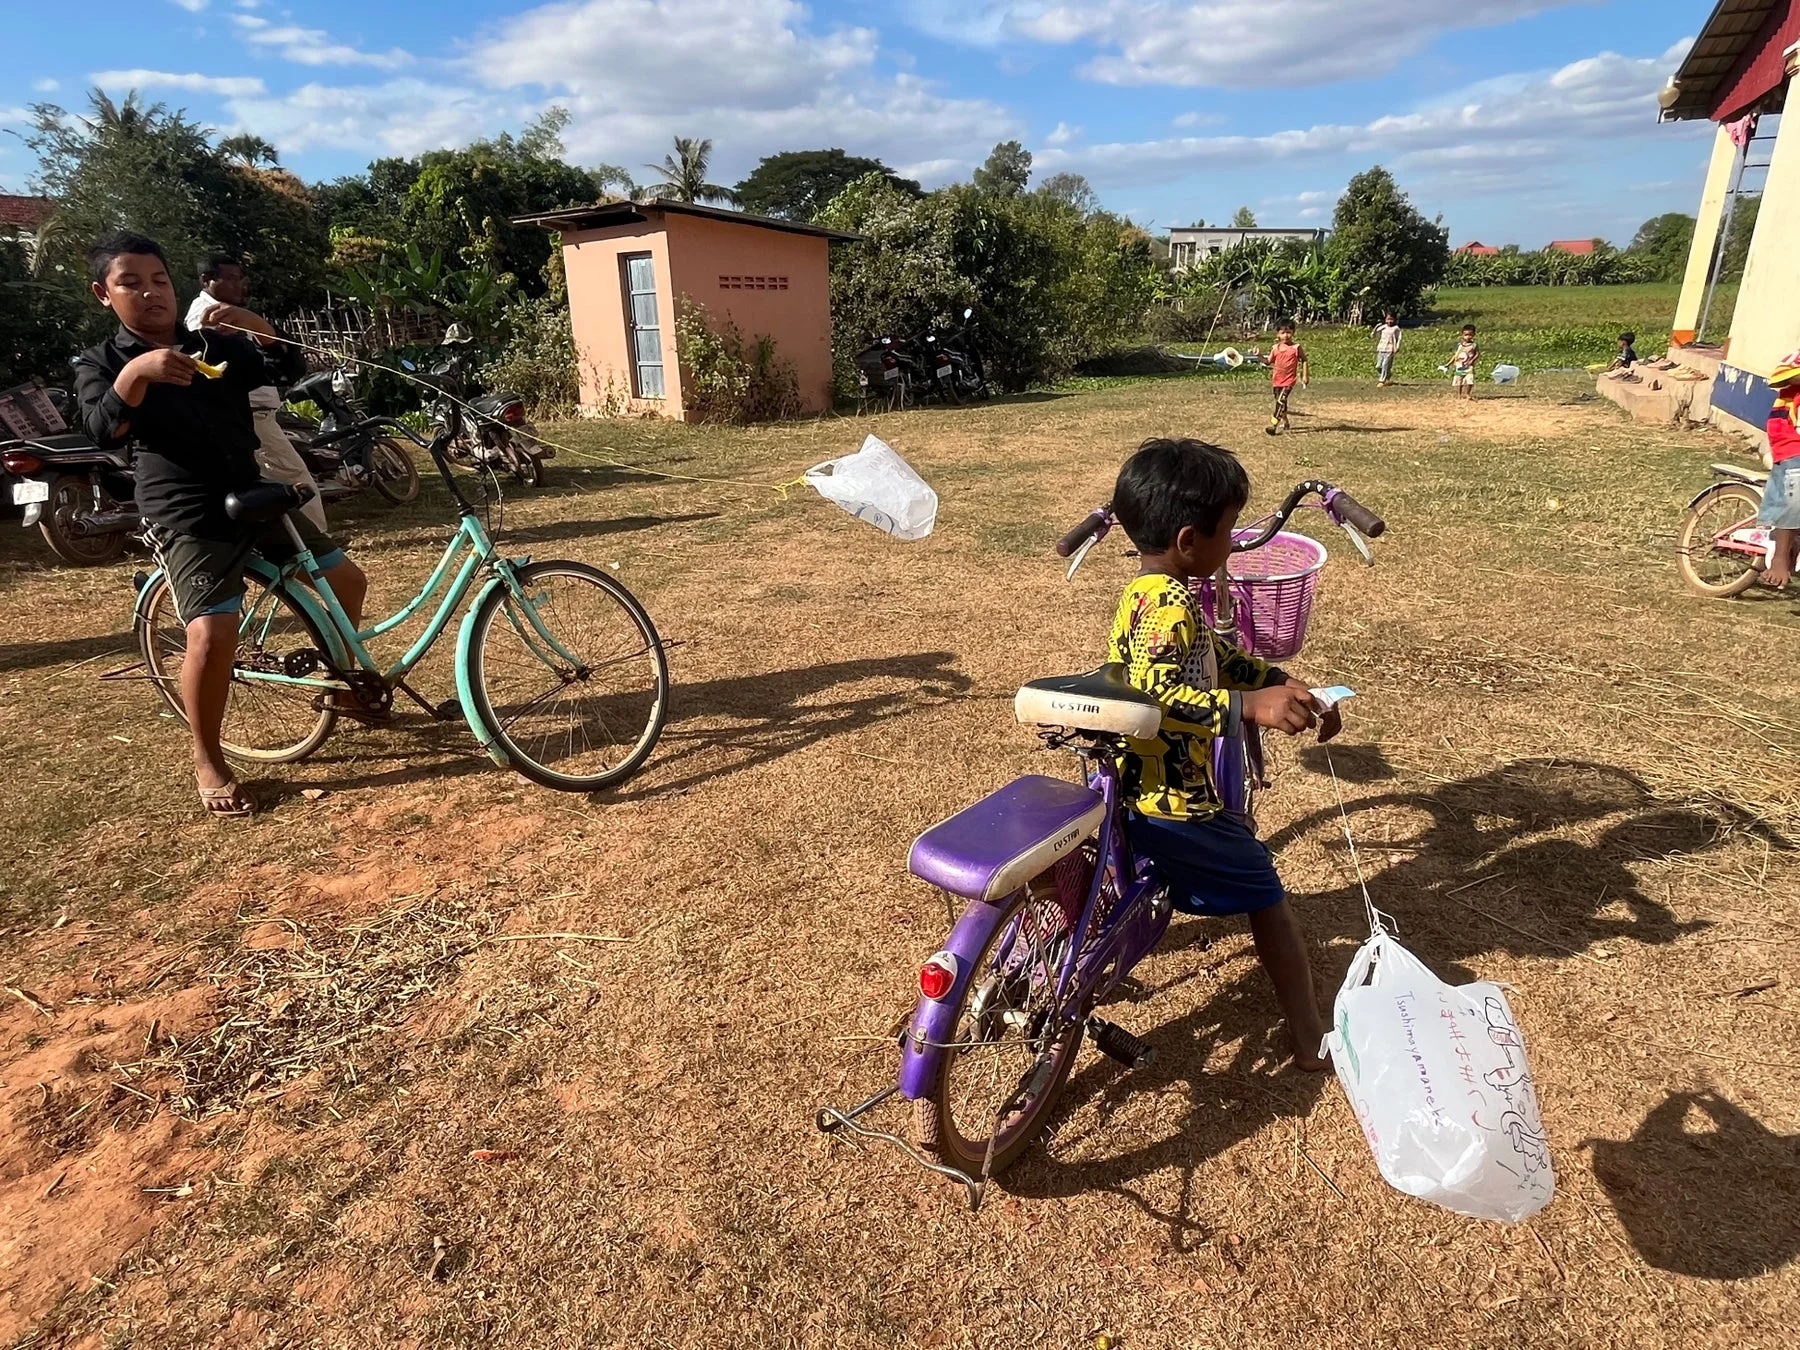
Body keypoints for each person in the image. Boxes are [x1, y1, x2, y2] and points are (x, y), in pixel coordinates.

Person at [73, 232, 369, 819]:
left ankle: (341, 687)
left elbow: (284, 368)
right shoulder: (99, 362)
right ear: (103, 293)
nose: (150, 293)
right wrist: (137, 374)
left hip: (250, 490)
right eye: (130, 282)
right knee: (211, 633)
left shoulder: (211, 343)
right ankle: (208, 758)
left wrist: (259, 326)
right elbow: (100, 431)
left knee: (347, 581)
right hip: (186, 506)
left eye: (159, 280)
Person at [1106, 438, 1339, 1069]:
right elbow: (1159, 690)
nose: (1234, 542)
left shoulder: (1150, 593)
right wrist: (1245, 708)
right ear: (1190, 540)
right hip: (1174, 797)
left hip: (1139, 785)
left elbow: (1215, 658)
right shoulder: (1170, 605)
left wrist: (1275, 682)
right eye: (1231, 529)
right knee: (1267, 895)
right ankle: (1311, 1035)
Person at [187, 253, 326, 531]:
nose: (240, 286)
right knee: (296, 480)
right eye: (230, 279)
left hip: (257, 416)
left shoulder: (232, 314)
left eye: (240, 279)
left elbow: (278, 364)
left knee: (273, 486)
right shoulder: (204, 320)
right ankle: (317, 545)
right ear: (206, 280)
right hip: (247, 417)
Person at [1757, 349, 1800, 588]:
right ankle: (1780, 558)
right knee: (1797, 495)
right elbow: (1780, 376)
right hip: (1791, 438)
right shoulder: (1797, 357)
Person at [1265, 321, 1307, 434]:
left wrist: (1305, 375)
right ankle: (1286, 422)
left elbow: (1304, 360)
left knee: (1280, 401)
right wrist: (1258, 356)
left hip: (1289, 381)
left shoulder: (1296, 347)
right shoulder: (1275, 348)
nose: (1286, 335)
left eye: (1288, 332)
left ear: (1293, 332)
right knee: (1281, 403)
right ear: (1278, 334)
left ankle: (1273, 425)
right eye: (1283, 333)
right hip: (1277, 381)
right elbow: (1268, 361)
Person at [1449, 324, 1479, 400]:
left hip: (1469, 366)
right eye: (1466, 335)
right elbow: (1456, 355)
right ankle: (1459, 394)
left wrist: (1472, 360)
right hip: (1460, 366)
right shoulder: (1460, 345)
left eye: (1470, 335)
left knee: (1470, 380)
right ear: (1462, 335)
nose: (1468, 337)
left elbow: (1477, 354)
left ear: (1474, 335)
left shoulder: (1474, 345)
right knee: (1459, 381)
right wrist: (1449, 363)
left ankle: (1468, 394)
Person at [1373, 311, 1402, 386]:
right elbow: (1374, 333)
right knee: (1378, 366)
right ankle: (1387, 374)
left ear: (1395, 320)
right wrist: (1376, 327)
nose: (1389, 321)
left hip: (1390, 349)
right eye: (1388, 319)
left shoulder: (1396, 328)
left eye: (1391, 319)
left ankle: (1382, 381)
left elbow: (1399, 338)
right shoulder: (1384, 327)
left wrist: (1397, 347)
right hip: (1381, 348)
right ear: (1385, 319)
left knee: (1385, 365)